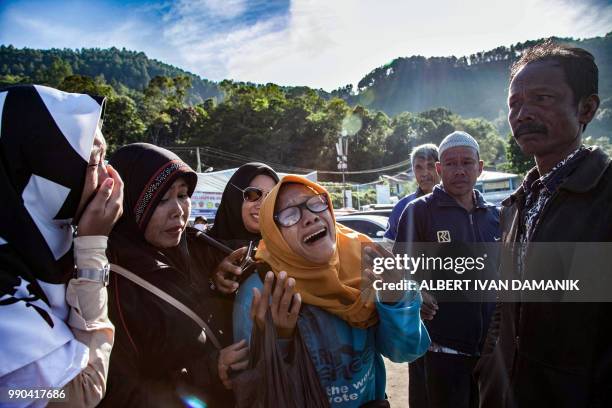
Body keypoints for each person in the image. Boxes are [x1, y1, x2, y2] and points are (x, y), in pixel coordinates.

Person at [477, 41, 611, 408]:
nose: (522, 113)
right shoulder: (516, 204)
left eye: (542, 98)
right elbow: (505, 312)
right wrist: (489, 376)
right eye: (514, 103)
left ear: (586, 108)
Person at [234, 175, 430, 407]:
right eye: (289, 215)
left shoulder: (364, 261)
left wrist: (396, 300)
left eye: (315, 203)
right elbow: (257, 388)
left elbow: (405, 352)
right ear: (274, 234)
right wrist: (280, 339)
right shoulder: (261, 290)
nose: (309, 217)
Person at [0, 84, 123, 406]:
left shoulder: (42, 248)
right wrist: (93, 247)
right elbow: (82, 391)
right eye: (96, 161)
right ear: (47, 178)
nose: (110, 176)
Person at [101, 143, 247, 407]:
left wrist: (217, 285)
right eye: (162, 199)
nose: (178, 210)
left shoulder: (197, 253)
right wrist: (208, 371)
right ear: (130, 203)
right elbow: (118, 394)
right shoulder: (112, 286)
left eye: (183, 195)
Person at [394, 131, 500, 408]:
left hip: (490, 354)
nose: (460, 170)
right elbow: (395, 272)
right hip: (439, 353)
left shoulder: (496, 216)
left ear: (480, 167)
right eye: (451, 164)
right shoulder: (419, 212)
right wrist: (415, 294)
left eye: (467, 162)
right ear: (440, 169)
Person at [208, 162, 279, 294]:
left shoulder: (284, 249)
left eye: (271, 198)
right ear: (233, 196)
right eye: (252, 194)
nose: (262, 204)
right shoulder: (200, 246)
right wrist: (212, 282)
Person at [384, 144, 440, 243]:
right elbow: (388, 248)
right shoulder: (402, 207)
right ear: (413, 170)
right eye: (419, 167)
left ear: (440, 168)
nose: (424, 173)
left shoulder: (456, 203)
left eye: (430, 166)